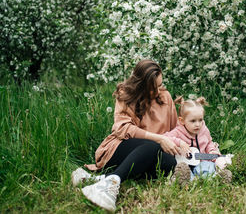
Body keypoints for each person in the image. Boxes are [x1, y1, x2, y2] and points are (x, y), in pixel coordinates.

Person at [71, 59, 183, 212]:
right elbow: (123, 129)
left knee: (170, 163)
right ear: (141, 85)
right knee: (151, 145)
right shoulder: (126, 94)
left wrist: (182, 143)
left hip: (150, 153)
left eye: (160, 85)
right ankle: (109, 187)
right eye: (152, 88)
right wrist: (160, 138)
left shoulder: (165, 97)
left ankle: (101, 179)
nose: (157, 91)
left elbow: (175, 129)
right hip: (121, 147)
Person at [163, 96, 233, 184]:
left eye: (200, 120)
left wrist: (212, 151)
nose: (198, 124)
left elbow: (209, 143)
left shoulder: (203, 130)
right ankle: (186, 180)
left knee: (207, 167)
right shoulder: (178, 131)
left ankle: (217, 179)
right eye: (193, 121)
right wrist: (179, 142)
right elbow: (165, 138)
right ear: (182, 121)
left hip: (202, 161)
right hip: (185, 164)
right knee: (183, 170)